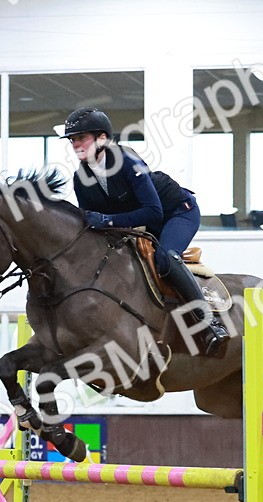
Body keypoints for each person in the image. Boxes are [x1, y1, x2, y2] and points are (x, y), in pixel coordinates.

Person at [61, 107, 230, 357]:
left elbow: (153, 212)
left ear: (102, 139)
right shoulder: (80, 178)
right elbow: (90, 223)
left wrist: (106, 221)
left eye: (81, 138)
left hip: (177, 212)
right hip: (140, 224)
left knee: (166, 257)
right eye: (72, 140)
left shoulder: (127, 162)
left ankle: (210, 323)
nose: (75, 144)